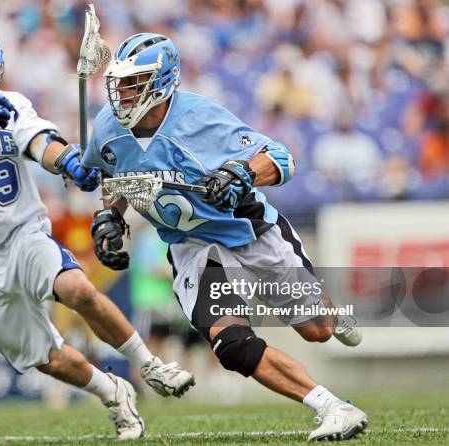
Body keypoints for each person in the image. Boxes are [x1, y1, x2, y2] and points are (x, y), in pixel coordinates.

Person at [0, 23, 194, 440]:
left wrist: (67, 161)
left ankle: (149, 364)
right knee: (45, 357)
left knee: (79, 290)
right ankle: (112, 391)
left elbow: (39, 142)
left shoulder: (9, 103)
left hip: (21, 233)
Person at [83, 33, 368, 442]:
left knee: (318, 329)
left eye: (134, 82)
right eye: (120, 82)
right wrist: (110, 214)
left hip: (247, 230)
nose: (122, 92)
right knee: (231, 344)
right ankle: (330, 406)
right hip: (192, 247)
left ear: (162, 82)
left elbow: (281, 158)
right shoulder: (108, 128)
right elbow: (112, 172)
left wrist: (241, 173)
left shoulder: (200, 118)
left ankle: (330, 311)